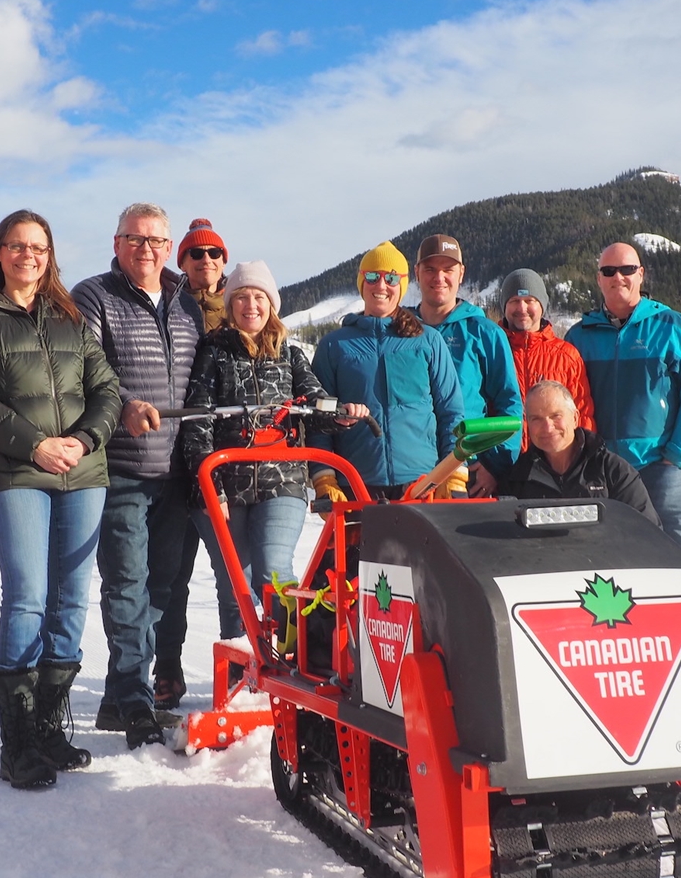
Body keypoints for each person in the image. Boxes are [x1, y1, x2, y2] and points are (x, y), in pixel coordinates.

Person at [0, 210, 122, 789]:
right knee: (28, 595)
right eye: (17, 246)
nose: (28, 256)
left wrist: (84, 438)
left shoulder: (67, 316)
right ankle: (16, 742)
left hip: (83, 470)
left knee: (71, 599)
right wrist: (36, 445)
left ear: (50, 256)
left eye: (39, 247)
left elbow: (107, 389)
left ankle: (49, 726)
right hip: (16, 471)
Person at [72, 203, 203, 749]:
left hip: (175, 471)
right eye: (136, 238)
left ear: (168, 246)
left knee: (162, 585)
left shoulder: (185, 303)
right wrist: (124, 404)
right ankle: (133, 703)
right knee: (126, 585)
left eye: (156, 240)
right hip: (120, 466)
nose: (146, 248)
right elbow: (87, 366)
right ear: (118, 241)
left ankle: (121, 693)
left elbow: (200, 376)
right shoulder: (94, 295)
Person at [182, 261, 366, 640]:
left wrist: (341, 414)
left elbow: (316, 405)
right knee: (237, 581)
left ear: (271, 304)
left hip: (281, 481)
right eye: (243, 297)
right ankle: (243, 664)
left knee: (274, 570)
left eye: (259, 297)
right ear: (230, 304)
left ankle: (295, 654)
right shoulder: (214, 354)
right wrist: (209, 486)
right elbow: (197, 421)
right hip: (227, 482)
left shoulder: (290, 355)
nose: (251, 305)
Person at [566, 243, 681, 565]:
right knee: (609, 562)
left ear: (641, 274)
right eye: (609, 271)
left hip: (660, 468)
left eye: (627, 269)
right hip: (601, 469)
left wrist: (676, 456)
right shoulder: (579, 336)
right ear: (599, 279)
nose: (618, 276)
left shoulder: (674, 327)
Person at [310, 241, 465, 500]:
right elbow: (318, 420)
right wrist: (324, 477)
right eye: (372, 276)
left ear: (402, 285)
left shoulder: (428, 340)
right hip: (357, 485)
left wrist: (454, 474)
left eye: (391, 278)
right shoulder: (333, 346)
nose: (381, 286)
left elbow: (451, 413)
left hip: (423, 483)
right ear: (361, 283)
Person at [153, 218, 230, 710]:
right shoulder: (169, 305)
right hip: (170, 465)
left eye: (213, 254)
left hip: (225, 467)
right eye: (194, 254)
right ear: (181, 262)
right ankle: (167, 672)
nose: (204, 261)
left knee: (233, 578)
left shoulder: (245, 306)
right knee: (169, 578)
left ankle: (243, 671)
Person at [414, 235, 521, 496]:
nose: (439, 278)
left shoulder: (484, 332)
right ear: (416, 273)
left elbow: (510, 406)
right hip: (413, 472)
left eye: (448, 270)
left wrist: (494, 465)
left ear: (461, 274)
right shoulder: (401, 333)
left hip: (468, 472)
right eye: (430, 269)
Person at [500, 381, 660, 525]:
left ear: (575, 417)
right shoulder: (517, 478)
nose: (548, 427)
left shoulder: (613, 471)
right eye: (536, 419)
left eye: (556, 416)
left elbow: (647, 532)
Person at [497, 267, 596, 452]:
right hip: (501, 464)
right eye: (514, 301)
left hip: (552, 463)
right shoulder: (492, 350)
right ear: (504, 306)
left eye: (529, 301)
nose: (522, 308)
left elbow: (582, 413)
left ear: (542, 305)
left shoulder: (566, 355)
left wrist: (583, 459)